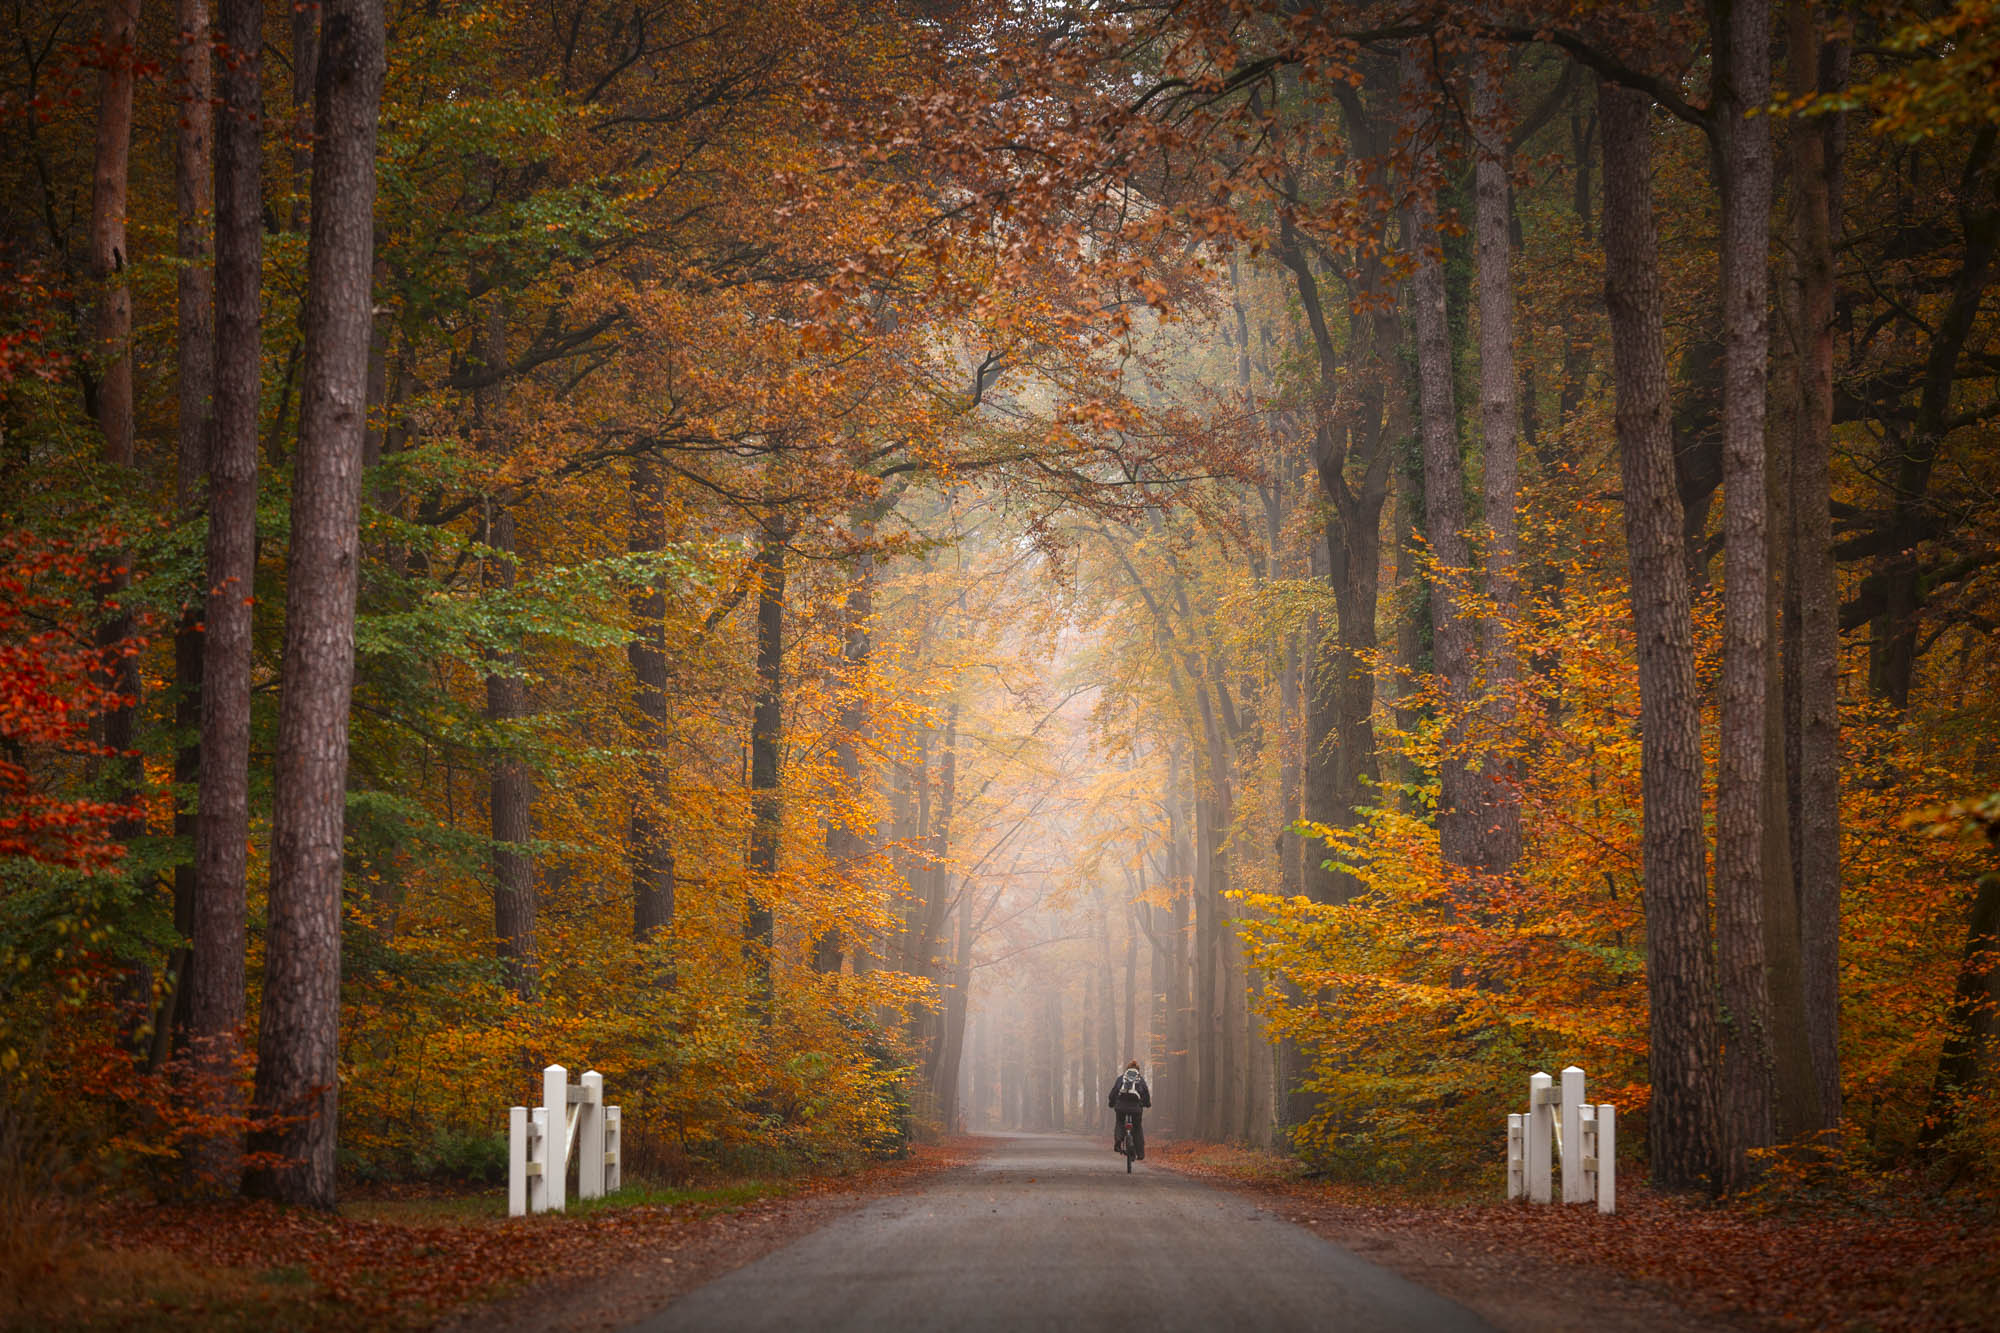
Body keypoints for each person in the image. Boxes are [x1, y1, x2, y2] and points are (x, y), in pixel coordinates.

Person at [1107, 1060, 1151, 1160]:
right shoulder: (1140, 1079)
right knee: (1137, 1127)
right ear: (1138, 1070)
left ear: (1127, 1069)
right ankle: (1140, 1153)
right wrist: (1147, 1104)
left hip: (1121, 1107)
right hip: (1136, 1108)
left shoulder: (1121, 1078)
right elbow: (1146, 1094)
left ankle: (1118, 1140)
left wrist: (1111, 1103)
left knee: (1120, 1122)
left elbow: (1113, 1093)